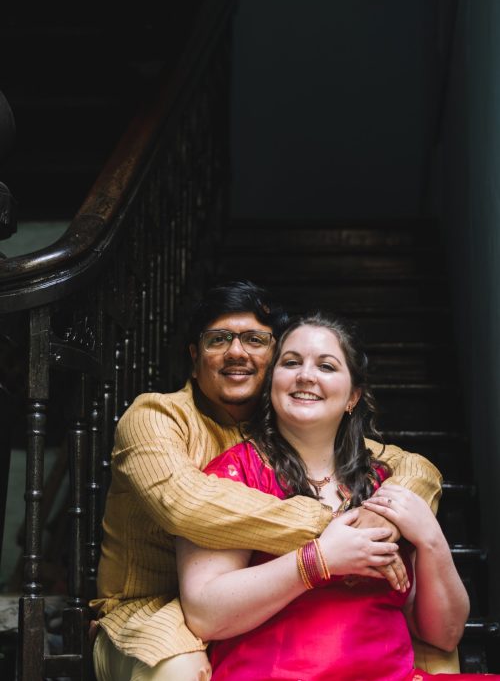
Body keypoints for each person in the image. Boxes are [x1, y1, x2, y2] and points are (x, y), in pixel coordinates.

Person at [91, 281, 444, 681]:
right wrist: (333, 531)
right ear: (194, 358)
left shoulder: (279, 429)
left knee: (431, 652)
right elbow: (185, 505)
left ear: (272, 360)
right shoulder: (157, 416)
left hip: (239, 597)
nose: (236, 351)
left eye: (255, 340)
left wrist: (389, 520)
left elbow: (414, 466)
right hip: (152, 608)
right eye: (218, 339)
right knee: (182, 670)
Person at [177, 312, 495, 680]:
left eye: (326, 366)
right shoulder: (234, 475)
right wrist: (320, 560)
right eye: (291, 362)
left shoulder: (385, 483)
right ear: (271, 384)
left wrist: (432, 541)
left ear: (353, 396)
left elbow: (444, 634)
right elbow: (205, 615)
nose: (305, 375)